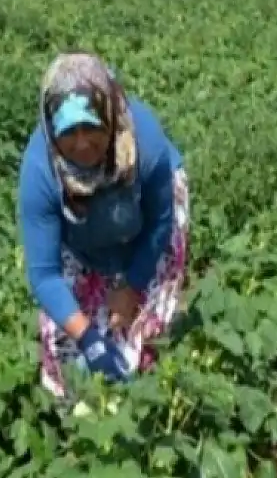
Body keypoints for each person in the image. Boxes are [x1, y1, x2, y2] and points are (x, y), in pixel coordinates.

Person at [17, 52, 190, 401]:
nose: (82, 144)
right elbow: (45, 275)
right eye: (69, 131)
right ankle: (78, 425)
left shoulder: (146, 146)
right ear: (51, 129)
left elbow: (160, 221)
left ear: (110, 119)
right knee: (68, 347)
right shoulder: (40, 173)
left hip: (146, 228)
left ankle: (141, 407)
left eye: (92, 127)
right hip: (82, 240)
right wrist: (89, 340)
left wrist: (133, 285)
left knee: (141, 336)